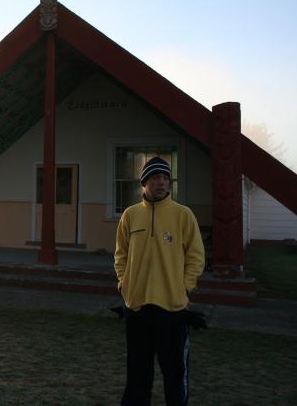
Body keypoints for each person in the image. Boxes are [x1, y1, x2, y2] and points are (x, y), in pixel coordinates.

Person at [114, 156, 205, 406]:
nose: (162, 183)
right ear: (144, 183)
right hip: (137, 308)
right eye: (155, 178)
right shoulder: (130, 215)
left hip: (172, 310)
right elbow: (120, 254)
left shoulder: (183, 215)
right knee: (137, 375)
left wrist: (184, 288)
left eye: (165, 178)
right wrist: (124, 283)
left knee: (174, 375)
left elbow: (196, 257)